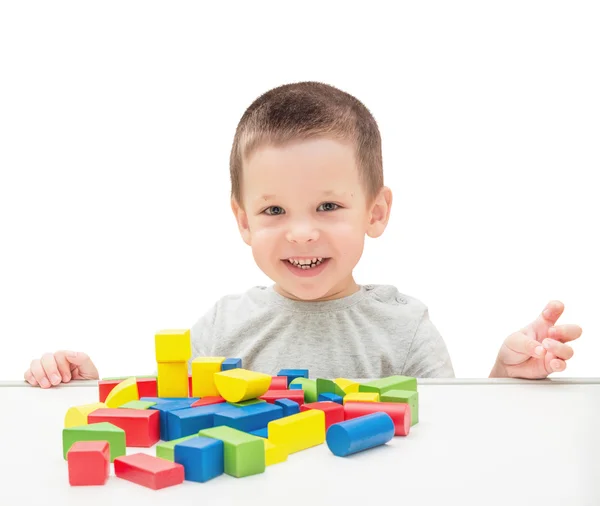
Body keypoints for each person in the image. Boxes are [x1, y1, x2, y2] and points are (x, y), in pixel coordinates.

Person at [23, 82, 582, 388]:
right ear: (243, 221)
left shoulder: (404, 329)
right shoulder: (224, 327)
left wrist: (507, 377)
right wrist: (90, 383)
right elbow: (160, 410)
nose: (301, 232)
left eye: (328, 206)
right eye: (273, 211)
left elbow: (453, 437)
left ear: (377, 212)